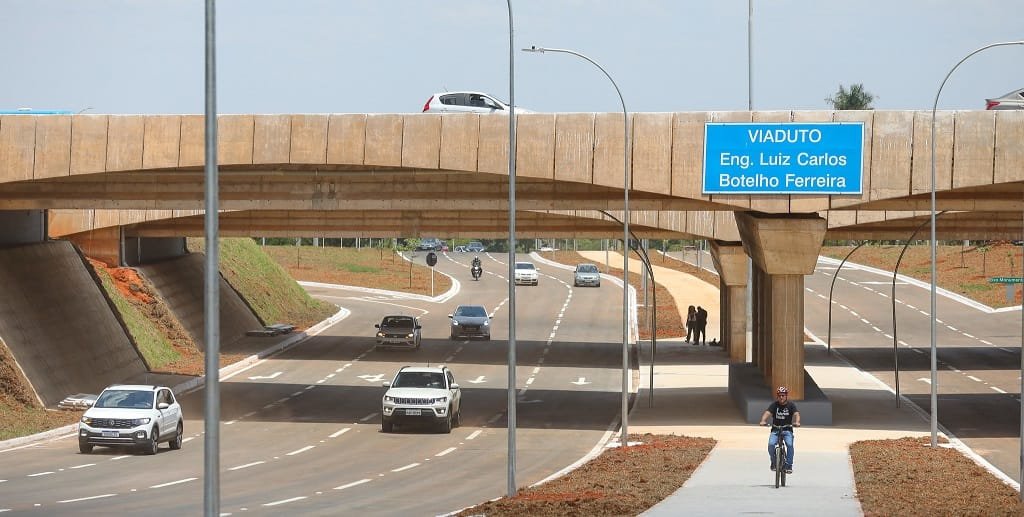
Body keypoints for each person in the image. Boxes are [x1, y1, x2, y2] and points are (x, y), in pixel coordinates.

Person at [759, 386, 801, 474]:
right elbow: (767, 413)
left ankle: (789, 465)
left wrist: (797, 422)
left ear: (786, 396)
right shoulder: (774, 405)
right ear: (777, 396)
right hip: (775, 430)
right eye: (779, 395)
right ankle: (774, 462)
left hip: (787, 430)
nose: (781, 397)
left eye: (783, 395)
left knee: (789, 445)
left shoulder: (791, 405)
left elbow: (796, 414)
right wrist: (763, 420)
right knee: (771, 445)